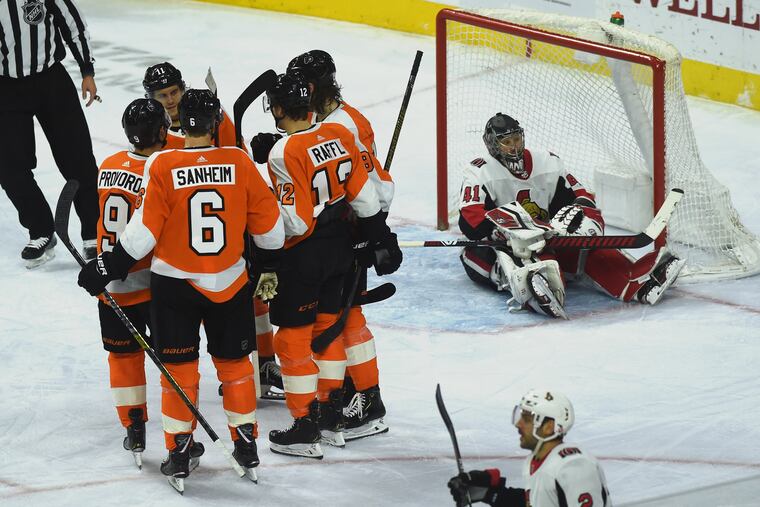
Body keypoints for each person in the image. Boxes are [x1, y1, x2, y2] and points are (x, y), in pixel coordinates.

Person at [77, 89, 285, 484]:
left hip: (176, 289)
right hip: (230, 283)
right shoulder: (239, 162)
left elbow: (140, 238)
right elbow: (271, 232)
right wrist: (270, 264)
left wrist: (105, 266)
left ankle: (179, 450)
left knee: (179, 372)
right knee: (237, 368)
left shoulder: (162, 164)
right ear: (213, 125)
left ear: (178, 123)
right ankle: (245, 442)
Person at [252, 49, 396, 441]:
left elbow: (374, 187)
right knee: (333, 323)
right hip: (344, 232)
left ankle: (365, 399)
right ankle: (338, 401)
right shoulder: (330, 126)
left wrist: (375, 232)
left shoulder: (346, 124)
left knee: (344, 321)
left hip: (341, 235)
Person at [143, 61, 282, 399]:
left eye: (175, 92)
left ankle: (263, 360)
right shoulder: (155, 134)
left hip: (228, 228)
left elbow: (242, 162)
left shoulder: (212, 118)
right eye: (163, 95)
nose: (171, 100)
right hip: (179, 243)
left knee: (256, 300)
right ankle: (231, 364)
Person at [458, 113, 685, 318]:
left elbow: (581, 195)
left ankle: (635, 281)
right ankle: (523, 283)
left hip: (545, 238)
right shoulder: (479, 171)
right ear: (493, 145)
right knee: (485, 255)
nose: (514, 147)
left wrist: (581, 217)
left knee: (588, 250)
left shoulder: (547, 162)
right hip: (503, 244)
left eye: (516, 139)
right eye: (506, 142)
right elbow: (470, 218)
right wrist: (500, 230)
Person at [94, 98, 169, 467]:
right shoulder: (162, 168)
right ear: (160, 132)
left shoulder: (108, 165)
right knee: (175, 358)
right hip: (153, 283)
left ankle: (133, 427)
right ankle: (179, 434)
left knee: (122, 357)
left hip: (110, 285)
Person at [0, 0, 101, 268]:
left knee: (78, 158)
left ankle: (93, 232)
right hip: (6, 89)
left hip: (51, 82)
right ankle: (41, 230)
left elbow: (73, 23)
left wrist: (87, 70)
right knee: (9, 168)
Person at [448, 389, 611, 507]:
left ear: (548, 427)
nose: (518, 424)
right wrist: (491, 494)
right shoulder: (536, 463)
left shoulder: (574, 467)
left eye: (526, 419)